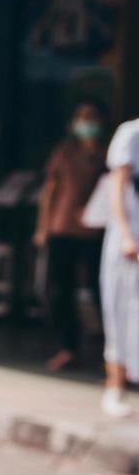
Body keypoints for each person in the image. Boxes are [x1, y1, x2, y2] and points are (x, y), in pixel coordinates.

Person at [33, 99, 107, 372]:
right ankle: (68, 347)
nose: (86, 123)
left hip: (96, 231)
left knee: (101, 292)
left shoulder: (106, 154)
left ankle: (109, 350)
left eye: (91, 117)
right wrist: (42, 228)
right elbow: (49, 191)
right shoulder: (64, 152)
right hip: (61, 228)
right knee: (59, 291)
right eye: (81, 117)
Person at [99, 116, 139, 418]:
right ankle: (115, 387)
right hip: (129, 242)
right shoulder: (131, 133)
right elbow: (117, 188)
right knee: (120, 312)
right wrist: (126, 235)